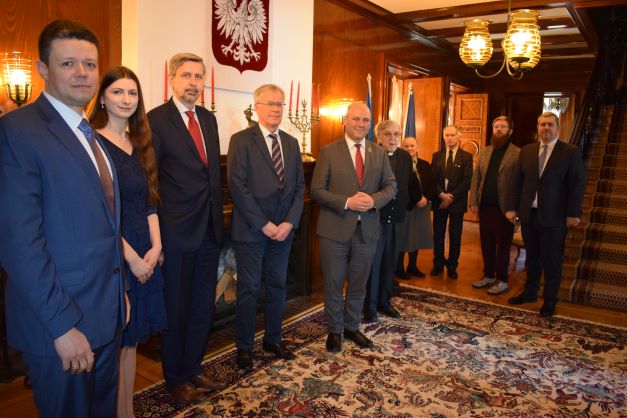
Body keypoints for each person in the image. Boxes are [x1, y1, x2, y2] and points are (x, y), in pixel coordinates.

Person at [0, 20, 126, 417]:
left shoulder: (90, 135)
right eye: (68, 63)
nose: (82, 73)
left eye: (90, 64)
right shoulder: (17, 131)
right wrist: (62, 326)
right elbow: (19, 243)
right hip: (63, 326)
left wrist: (118, 292)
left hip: (105, 316)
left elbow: (106, 227)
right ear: (42, 69)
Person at [90, 66, 167, 418]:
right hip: (115, 253)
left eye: (132, 93)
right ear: (103, 98)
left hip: (145, 248)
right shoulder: (92, 143)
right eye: (118, 92)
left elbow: (150, 202)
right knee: (116, 344)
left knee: (132, 342)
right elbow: (98, 213)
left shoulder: (139, 144)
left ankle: (128, 411)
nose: (126, 99)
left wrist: (156, 247)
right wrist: (133, 259)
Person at [147, 53, 225, 402]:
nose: (193, 82)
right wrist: (156, 239)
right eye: (186, 75)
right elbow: (150, 181)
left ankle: (193, 366)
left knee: (202, 307)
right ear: (172, 80)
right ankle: (175, 377)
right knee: (176, 309)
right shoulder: (155, 120)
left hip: (209, 230)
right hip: (175, 233)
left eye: (198, 76)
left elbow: (212, 175)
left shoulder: (208, 119)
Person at [227, 84, 305, 371]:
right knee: (248, 289)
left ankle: (273, 339)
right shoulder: (241, 140)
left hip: (283, 231)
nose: (276, 109)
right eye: (270, 104)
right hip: (251, 230)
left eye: (280, 104)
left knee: (277, 285)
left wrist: (289, 222)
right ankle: (244, 347)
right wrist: (263, 223)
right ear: (256, 107)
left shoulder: (291, 143)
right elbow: (237, 186)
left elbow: (299, 187)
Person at [311, 102, 396, 353]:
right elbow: (316, 191)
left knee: (359, 283)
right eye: (356, 119)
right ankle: (334, 331)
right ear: (345, 120)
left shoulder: (378, 152)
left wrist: (373, 200)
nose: (361, 124)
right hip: (334, 231)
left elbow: (391, 186)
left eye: (365, 120)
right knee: (334, 284)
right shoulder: (328, 151)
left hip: (367, 232)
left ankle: (351, 327)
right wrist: (347, 202)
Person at [508, 112, 586, 318]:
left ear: (557, 127)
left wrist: (573, 213)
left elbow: (577, 185)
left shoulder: (570, 152)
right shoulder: (527, 151)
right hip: (529, 215)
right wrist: (512, 208)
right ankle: (530, 293)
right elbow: (517, 182)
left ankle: (550, 300)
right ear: (538, 127)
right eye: (543, 124)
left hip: (555, 217)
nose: (546, 128)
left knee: (552, 260)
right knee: (532, 258)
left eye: (550, 124)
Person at [363, 120, 418, 323]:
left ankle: (384, 302)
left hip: (395, 220)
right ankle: (369, 306)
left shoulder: (404, 157)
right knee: (373, 264)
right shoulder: (369, 155)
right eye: (387, 134)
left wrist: (404, 208)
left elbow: (412, 186)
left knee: (389, 263)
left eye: (397, 134)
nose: (393, 138)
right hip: (374, 219)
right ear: (378, 136)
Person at [469, 116, 520, 296]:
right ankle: (489, 275)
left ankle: (503, 280)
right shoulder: (485, 151)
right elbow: (476, 178)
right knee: (486, 244)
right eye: (496, 126)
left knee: (503, 246)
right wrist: (473, 201)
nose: (499, 129)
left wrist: (515, 208)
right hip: (485, 206)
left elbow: (519, 183)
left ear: (510, 131)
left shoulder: (517, 153)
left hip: (505, 209)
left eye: (503, 127)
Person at [430, 125, 473, 279]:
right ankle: (438, 264)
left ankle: (452, 266)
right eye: (446, 135)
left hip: (457, 202)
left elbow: (467, 181)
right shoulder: (437, 156)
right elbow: (432, 179)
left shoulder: (466, 157)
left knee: (455, 236)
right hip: (439, 201)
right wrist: (441, 194)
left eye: (452, 135)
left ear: (459, 136)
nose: (449, 138)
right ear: (443, 137)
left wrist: (451, 197)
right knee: (438, 235)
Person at [396, 136, 436, 279]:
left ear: (417, 147)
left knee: (417, 237)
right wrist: (417, 199)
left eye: (412, 145)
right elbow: (403, 186)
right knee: (403, 237)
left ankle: (412, 266)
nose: (409, 148)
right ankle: (399, 268)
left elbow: (432, 184)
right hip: (408, 207)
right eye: (406, 146)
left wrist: (426, 198)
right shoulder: (399, 165)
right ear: (402, 148)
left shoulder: (425, 164)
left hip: (423, 208)